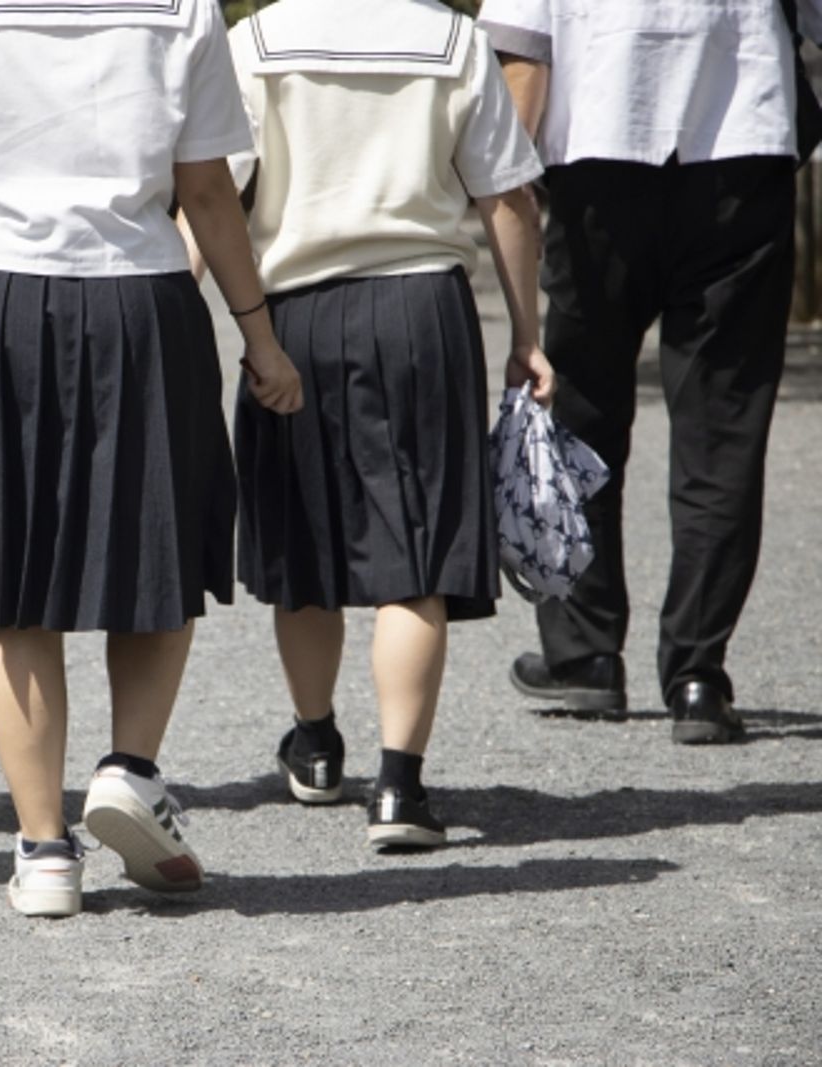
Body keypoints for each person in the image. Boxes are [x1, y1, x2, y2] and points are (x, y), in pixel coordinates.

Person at [0, 0, 301, 917]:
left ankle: (44, 852)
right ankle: (129, 769)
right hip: (142, 304)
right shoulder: (184, 8)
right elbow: (209, 190)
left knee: (13, 582)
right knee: (158, 543)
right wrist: (259, 334)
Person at [212, 0, 551, 849]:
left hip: (291, 314)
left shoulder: (255, 40)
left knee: (303, 541)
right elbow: (508, 199)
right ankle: (400, 788)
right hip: (421, 311)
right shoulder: (453, 38)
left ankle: (318, 742)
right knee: (418, 548)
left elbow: (210, 188)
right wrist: (527, 336)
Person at [478, 0, 818, 743]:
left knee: (579, 405)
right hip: (742, 142)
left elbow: (524, 43)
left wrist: (502, 186)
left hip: (602, 145)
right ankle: (698, 674)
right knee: (723, 426)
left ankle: (585, 654)